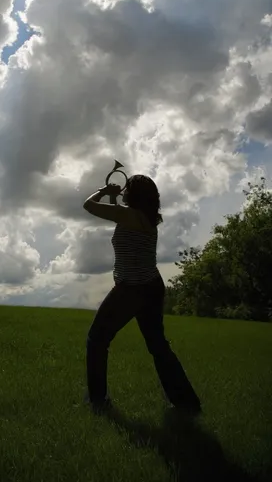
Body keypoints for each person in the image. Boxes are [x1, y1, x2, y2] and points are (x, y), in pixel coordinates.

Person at [82, 174, 202, 415]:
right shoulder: (146, 217)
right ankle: (187, 403)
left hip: (132, 288)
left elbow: (88, 206)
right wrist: (116, 200)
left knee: (96, 340)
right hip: (151, 286)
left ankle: (98, 401)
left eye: (127, 188)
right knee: (158, 346)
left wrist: (104, 190)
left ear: (133, 194)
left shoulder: (130, 215)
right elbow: (121, 220)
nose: (123, 190)